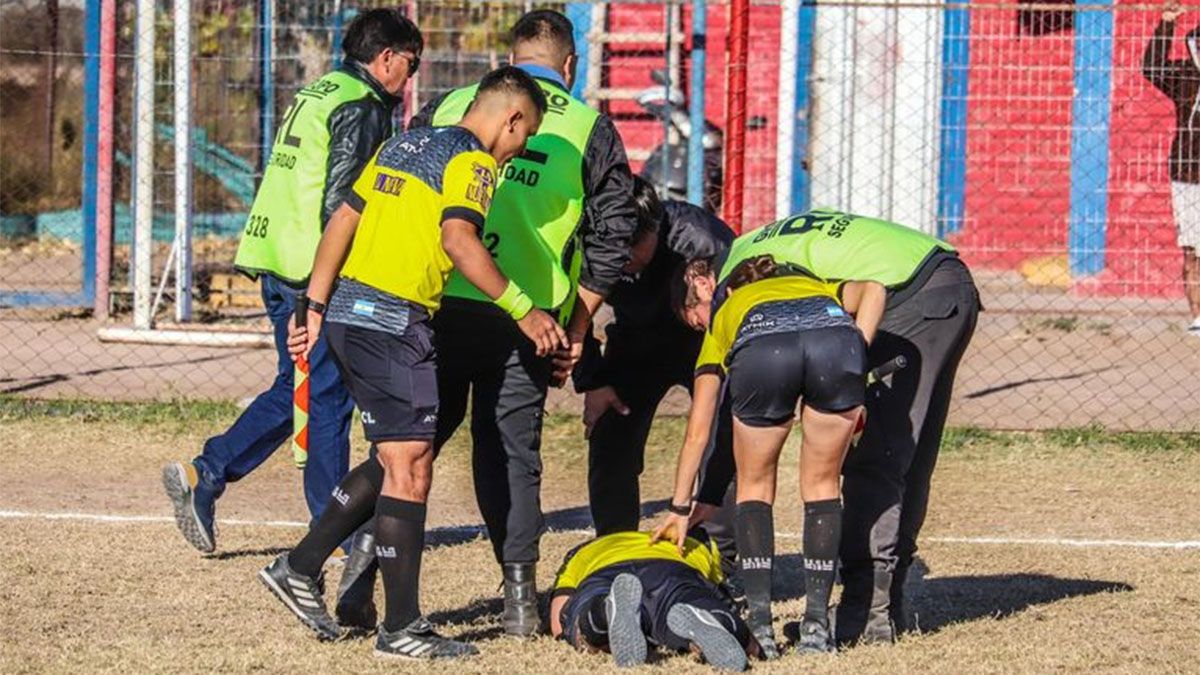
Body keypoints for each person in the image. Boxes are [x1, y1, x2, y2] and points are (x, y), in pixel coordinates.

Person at [353, 9, 634, 637]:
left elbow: (394, 186)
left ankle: (359, 567)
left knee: (406, 443)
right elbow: (613, 233)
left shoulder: (455, 102)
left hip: (435, 304)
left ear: (509, 60)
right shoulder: (591, 127)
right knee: (512, 453)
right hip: (526, 318)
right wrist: (579, 323)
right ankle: (519, 603)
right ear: (569, 67)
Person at [257, 67, 554, 660]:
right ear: (512, 118)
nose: (520, 149)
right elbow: (459, 241)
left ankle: (300, 566)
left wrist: (315, 303)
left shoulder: (405, 142)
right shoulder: (473, 163)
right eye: (526, 136)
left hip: (350, 310)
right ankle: (401, 628)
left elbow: (344, 218)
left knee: (397, 458)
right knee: (411, 469)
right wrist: (524, 310)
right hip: (392, 319)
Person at [160, 9, 422, 554]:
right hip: (311, 271)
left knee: (297, 386)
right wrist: (319, 297)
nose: (409, 80)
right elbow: (341, 205)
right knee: (327, 397)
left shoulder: (322, 90)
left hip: (279, 260)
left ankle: (205, 474)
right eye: (410, 66)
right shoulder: (361, 104)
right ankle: (335, 531)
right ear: (387, 58)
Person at [691, 208, 979, 646]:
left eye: (694, 317)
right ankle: (884, 606)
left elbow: (730, 420)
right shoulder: (756, 248)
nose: (701, 328)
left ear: (705, 285)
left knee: (874, 458)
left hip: (906, 292)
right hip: (943, 276)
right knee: (905, 454)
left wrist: (851, 362)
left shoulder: (735, 291)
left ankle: (867, 614)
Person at [654, 253, 886, 657]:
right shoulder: (817, 284)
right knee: (822, 484)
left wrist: (678, 506)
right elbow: (875, 289)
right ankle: (816, 630)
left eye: (695, 320)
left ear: (728, 291)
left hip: (763, 349)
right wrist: (856, 355)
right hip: (836, 340)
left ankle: (760, 629)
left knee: (754, 487)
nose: (700, 327)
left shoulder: (728, 312)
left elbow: (698, 430)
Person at [574, 176, 735, 537]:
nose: (623, 256)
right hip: (636, 341)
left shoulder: (701, 240)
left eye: (634, 245)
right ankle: (614, 546)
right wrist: (592, 380)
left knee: (722, 436)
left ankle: (717, 554)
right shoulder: (589, 243)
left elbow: (735, 310)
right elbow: (572, 308)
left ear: (656, 227)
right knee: (610, 428)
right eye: (614, 245)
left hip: (701, 341)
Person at [549, 531, 755, 671]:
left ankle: (603, 613)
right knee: (695, 602)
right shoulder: (692, 541)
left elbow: (558, 619)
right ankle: (714, 620)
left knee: (584, 614)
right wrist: (750, 642)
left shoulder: (581, 552)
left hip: (604, 571)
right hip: (671, 566)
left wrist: (569, 630)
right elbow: (720, 591)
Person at [1143, 2, 1200, 335]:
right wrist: (1167, 24)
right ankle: (1198, 317)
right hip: (1189, 177)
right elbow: (1151, 67)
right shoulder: (1185, 78)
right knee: (1193, 249)